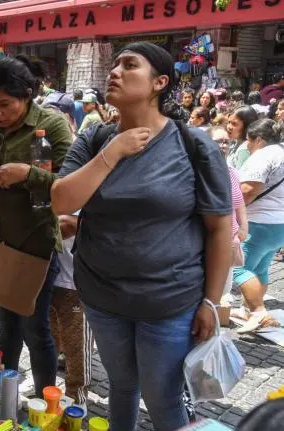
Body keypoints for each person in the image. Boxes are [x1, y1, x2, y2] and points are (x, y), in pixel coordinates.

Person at [51, 42, 232, 431]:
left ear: (159, 83)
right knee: (120, 385)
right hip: (102, 296)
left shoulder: (192, 144)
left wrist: (211, 303)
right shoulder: (96, 138)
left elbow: (219, 228)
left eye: (129, 65)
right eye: (114, 64)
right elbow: (61, 199)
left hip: (168, 301)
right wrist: (113, 152)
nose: (115, 71)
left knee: (164, 398)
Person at [0, 55, 74, 392]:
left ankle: (44, 401)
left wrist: (28, 174)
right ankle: (2, 395)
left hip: (32, 247)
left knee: (34, 330)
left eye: (4, 104)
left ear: (26, 94)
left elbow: (69, 183)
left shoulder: (50, 126)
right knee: (6, 328)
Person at [233, 119, 284, 332]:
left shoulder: (264, 155)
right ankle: (248, 310)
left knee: (239, 268)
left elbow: (247, 189)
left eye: (249, 141)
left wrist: (234, 213)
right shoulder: (281, 152)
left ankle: (258, 312)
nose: (247, 146)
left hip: (259, 222)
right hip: (279, 224)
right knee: (261, 268)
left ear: (259, 139)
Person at [49, 214, 92, 403]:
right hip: (45, 275)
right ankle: (47, 394)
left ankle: (76, 401)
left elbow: (118, 224)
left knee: (77, 349)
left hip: (77, 281)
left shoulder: (97, 185)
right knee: (48, 342)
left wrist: (77, 224)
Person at [207, 126, 248, 300]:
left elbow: (239, 204)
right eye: (218, 141)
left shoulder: (232, 172)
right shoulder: (201, 172)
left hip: (230, 240)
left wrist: (243, 226)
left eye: (226, 142)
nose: (223, 145)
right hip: (208, 240)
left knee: (222, 290)